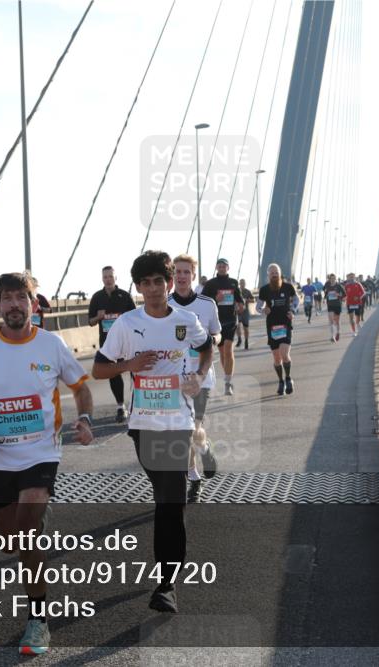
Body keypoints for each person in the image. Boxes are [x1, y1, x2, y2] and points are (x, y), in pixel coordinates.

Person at [0, 271, 94, 656]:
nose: (14, 304)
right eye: (7, 298)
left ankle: (38, 620)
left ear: (34, 304)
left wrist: (85, 420)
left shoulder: (51, 344)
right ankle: (33, 518)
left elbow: (81, 388)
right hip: (0, 457)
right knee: (8, 541)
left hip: (41, 452)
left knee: (27, 531)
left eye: (21, 297)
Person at [92, 251, 212, 613]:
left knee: (170, 501)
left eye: (159, 281)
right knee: (165, 495)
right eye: (145, 283)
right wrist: (130, 364)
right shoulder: (126, 324)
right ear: (138, 287)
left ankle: (166, 584)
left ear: (169, 282)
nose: (153, 288)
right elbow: (99, 369)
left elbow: (206, 348)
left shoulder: (186, 320)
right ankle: (167, 574)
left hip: (177, 424)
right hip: (143, 426)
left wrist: (199, 376)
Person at [168, 254, 220, 503]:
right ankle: (194, 474)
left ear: (193, 275)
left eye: (186, 272)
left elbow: (217, 333)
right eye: (177, 271)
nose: (181, 276)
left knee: (192, 428)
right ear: (172, 275)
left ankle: (203, 451)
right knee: (183, 430)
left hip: (201, 376)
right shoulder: (164, 305)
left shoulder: (207, 304)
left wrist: (212, 341)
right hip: (174, 377)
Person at [87, 266, 136, 422]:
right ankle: (120, 407)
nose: (108, 279)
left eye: (110, 276)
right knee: (114, 374)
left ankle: (137, 403)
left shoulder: (125, 296)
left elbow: (136, 318)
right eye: (105, 277)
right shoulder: (97, 297)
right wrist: (98, 317)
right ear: (102, 279)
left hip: (127, 341)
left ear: (116, 278)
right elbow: (90, 322)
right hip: (108, 343)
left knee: (134, 371)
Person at [200, 259, 244, 396]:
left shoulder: (233, 282)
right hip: (216, 321)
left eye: (224, 266)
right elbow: (203, 300)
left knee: (228, 350)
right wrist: (215, 298)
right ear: (216, 268)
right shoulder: (211, 283)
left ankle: (227, 383)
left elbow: (239, 298)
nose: (222, 267)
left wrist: (240, 305)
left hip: (231, 320)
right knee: (223, 353)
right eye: (219, 265)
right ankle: (227, 376)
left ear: (228, 268)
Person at [256, 263, 299, 395]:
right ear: (268, 275)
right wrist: (263, 310)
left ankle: (288, 378)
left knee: (284, 354)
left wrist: (293, 310)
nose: (274, 275)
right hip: (272, 326)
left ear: (280, 274)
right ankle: (280, 381)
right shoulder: (264, 290)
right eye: (272, 273)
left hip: (286, 324)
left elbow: (296, 300)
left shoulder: (288, 287)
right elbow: (258, 307)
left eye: (276, 272)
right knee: (276, 358)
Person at [323, 274, 346, 342]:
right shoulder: (327, 285)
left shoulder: (339, 286)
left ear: (335, 279)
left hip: (337, 305)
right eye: (331, 278)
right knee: (331, 321)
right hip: (330, 305)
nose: (332, 280)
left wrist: (338, 295)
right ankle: (332, 336)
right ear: (329, 279)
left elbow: (344, 295)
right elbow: (326, 293)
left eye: (333, 278)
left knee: (337, 321)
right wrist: (324, 299)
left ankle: (338, 332)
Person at [236, 278, 253, 349]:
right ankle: (239, 339)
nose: (242, 284)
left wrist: (248, 300)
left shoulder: (247, 291)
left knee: (245, 327)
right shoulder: (236, 291)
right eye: (241, 283)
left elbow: (253, 300)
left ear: (245, 284)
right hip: (237, 311)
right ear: (239, 284)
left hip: (245, 312)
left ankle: (246, 341)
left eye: (243, 283)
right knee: (237, 326)